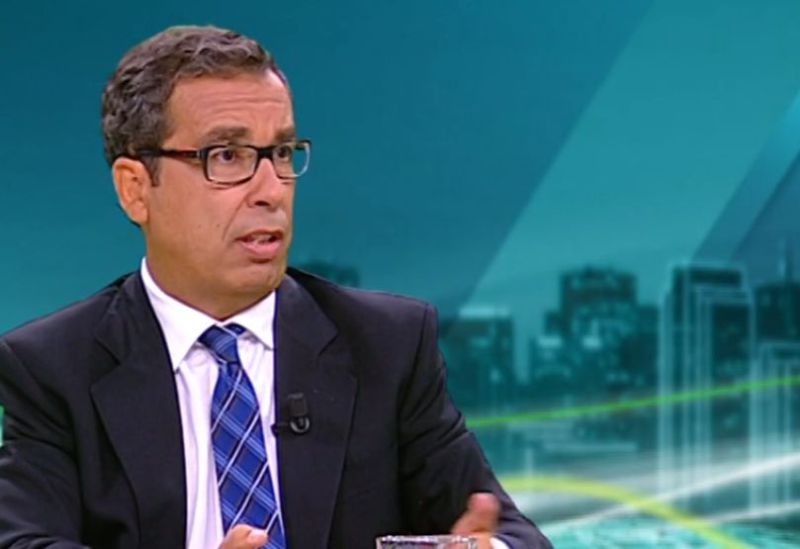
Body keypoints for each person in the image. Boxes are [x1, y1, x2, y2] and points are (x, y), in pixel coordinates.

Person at [0, 26, 551, 549]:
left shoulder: (388, 346)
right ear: (135, 189)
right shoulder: (54, 370)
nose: (271, 189)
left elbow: (511, 533)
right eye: (227, 156)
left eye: (282, 153)